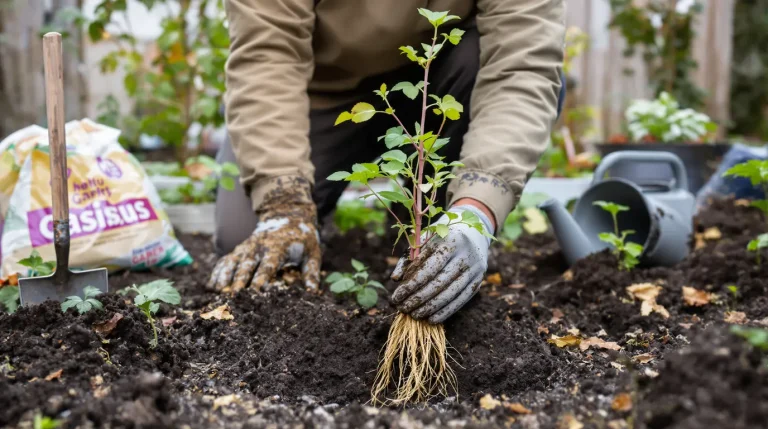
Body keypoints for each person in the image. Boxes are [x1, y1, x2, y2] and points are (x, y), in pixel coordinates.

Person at [209, 0, 566, 324]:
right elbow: (268, 54)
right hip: (320, 93)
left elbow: (522, 66)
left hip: (445, 81)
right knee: (249, 240)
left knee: (445, 255)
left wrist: (476, 210)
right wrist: (283, 202)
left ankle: (435, 229)